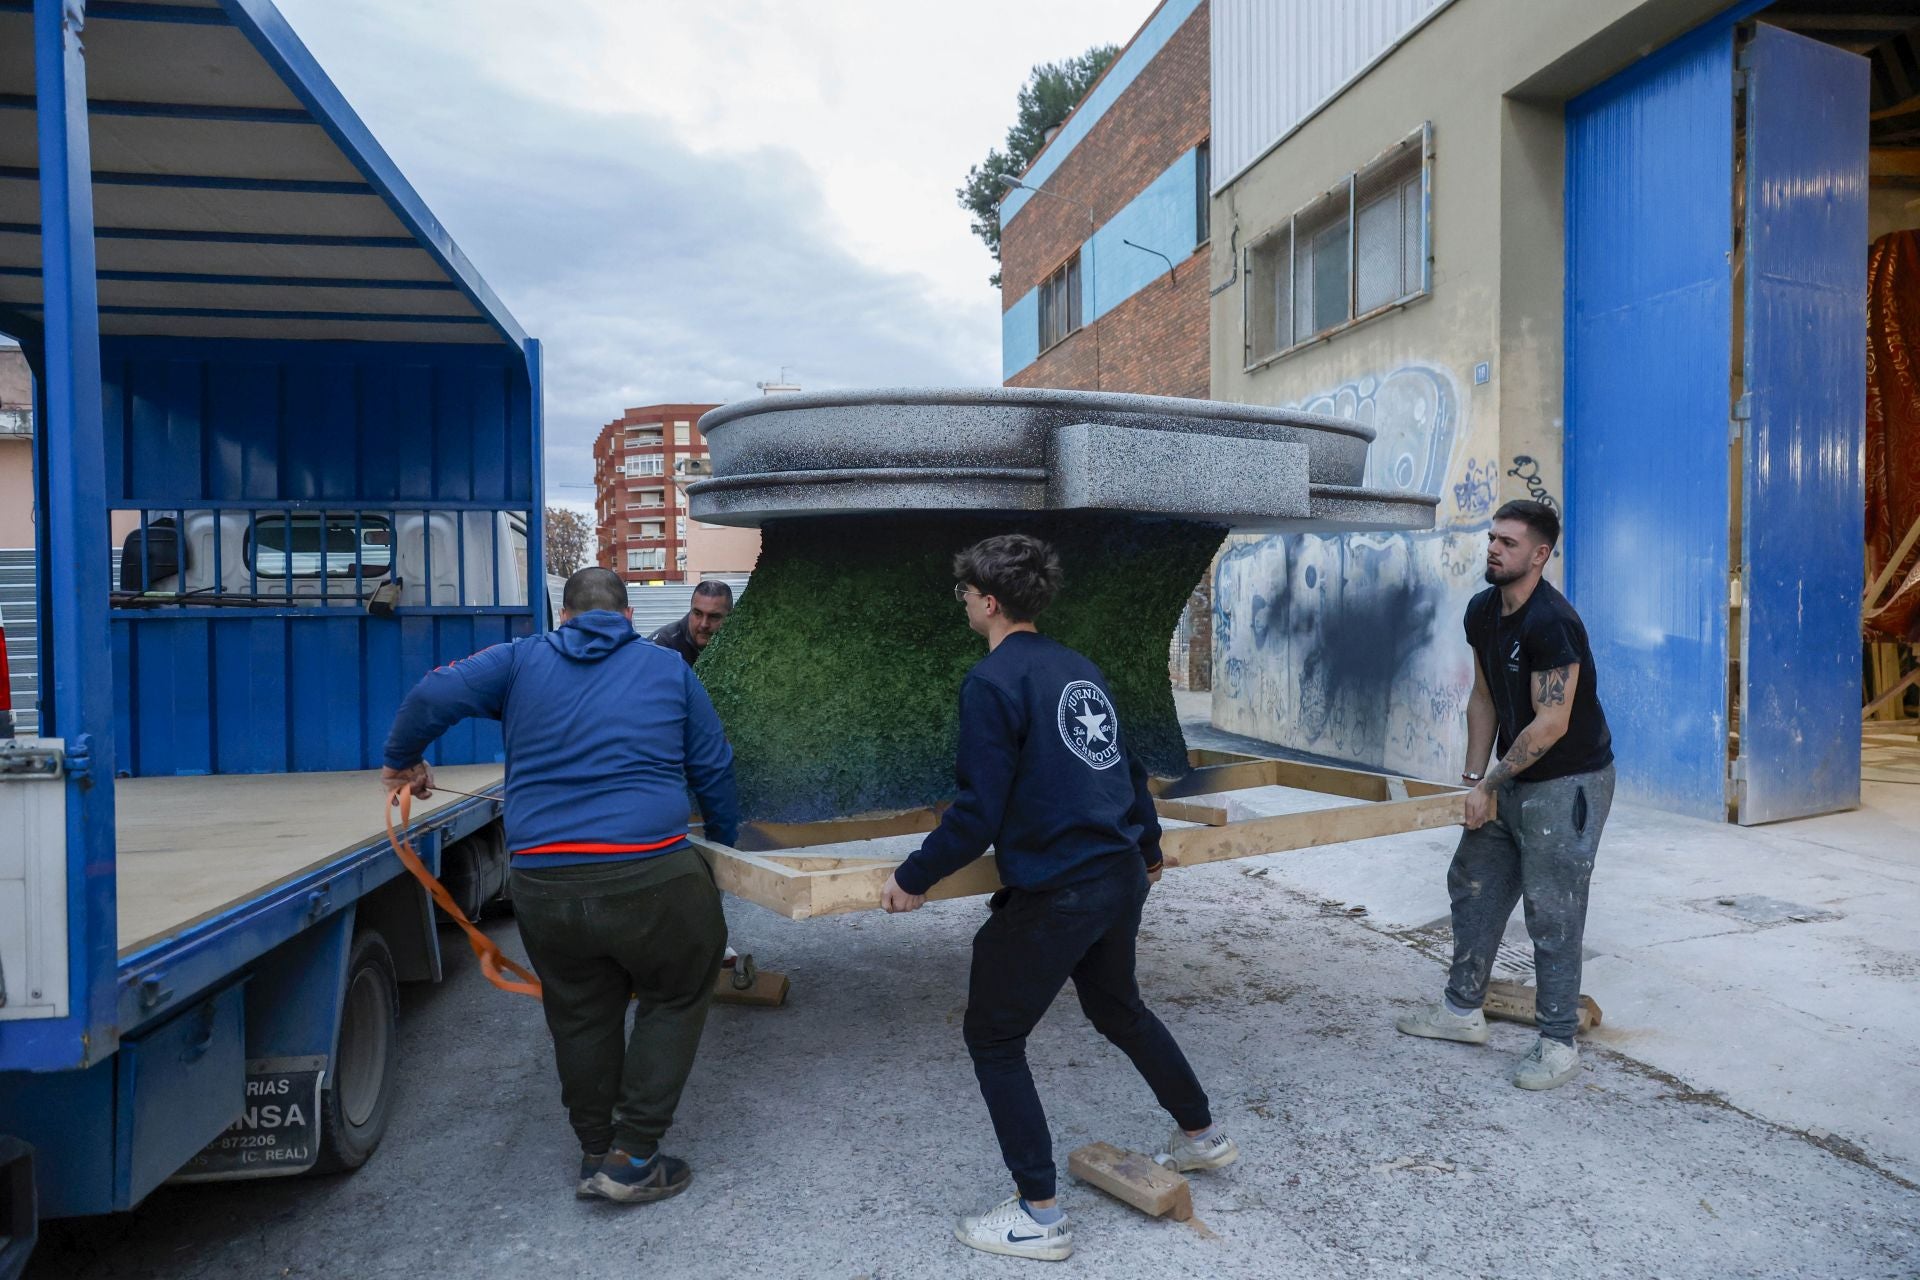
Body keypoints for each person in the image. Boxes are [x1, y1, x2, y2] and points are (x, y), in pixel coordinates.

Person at [880, 533, 1236, 1262]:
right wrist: (1146, 845)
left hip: (1062, 888)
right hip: (1116, 876)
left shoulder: (992, 683)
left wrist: (911, 878)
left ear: (986, 601)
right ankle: (1203, 1137)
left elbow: (976, 813)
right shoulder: (1077, 668)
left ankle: (1039, 1216)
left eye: (965, 596)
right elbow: (1125, 768)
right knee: (1118, 1009)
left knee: (994, 1038)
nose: (965, 606)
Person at [381, 566, 738, 1204]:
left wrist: (401, 759)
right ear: (629, 619)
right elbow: (713, 767)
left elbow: (432, 694)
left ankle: (596, 1150)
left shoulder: (519, 659)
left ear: (563, 618)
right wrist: (725, 852)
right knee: (678, 991)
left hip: (544, 883)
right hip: (650, 874)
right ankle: (634, 1157)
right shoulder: (667, 668)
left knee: (579, 1010)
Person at [1395, 499, 1616, 1090]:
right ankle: (1460, 1011)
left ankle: (1557, 1043)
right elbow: (1484, 697)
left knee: (1553, 911)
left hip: (1566, 782)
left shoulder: (1553, 623)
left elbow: (1551, 723)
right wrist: (1473, 783)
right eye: (1493, 538)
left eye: (1509, 542)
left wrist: (1493, 782)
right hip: (1509, 778)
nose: (1493, 548)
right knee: (1473, 885)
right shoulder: (1483, 611)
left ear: (1539, 555)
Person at [649, 579, 733, 666]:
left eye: (713, 617)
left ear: (730, 617)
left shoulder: (739, 643)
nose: (704, 624)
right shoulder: (662, 646)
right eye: (698, 614)